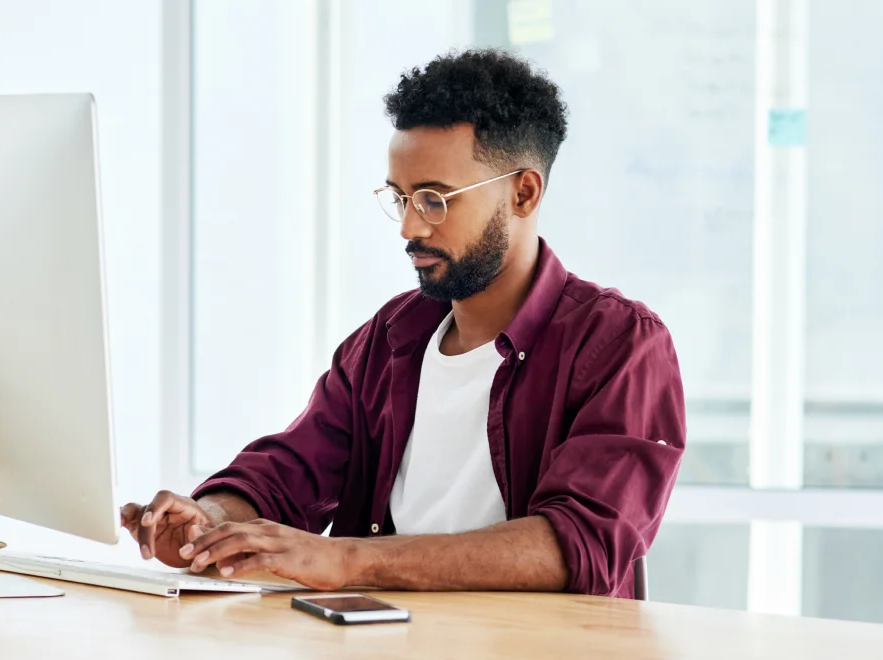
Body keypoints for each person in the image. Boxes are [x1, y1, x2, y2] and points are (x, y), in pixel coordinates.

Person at [122, 48, 686, 598]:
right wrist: (210, 523)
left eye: (435, 200)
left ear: (523, 192)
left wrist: (344, 560)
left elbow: (579, 544)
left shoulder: (620, 345)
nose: (409, 228)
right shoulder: (391, 337)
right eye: (400, 198)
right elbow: (291, 472)